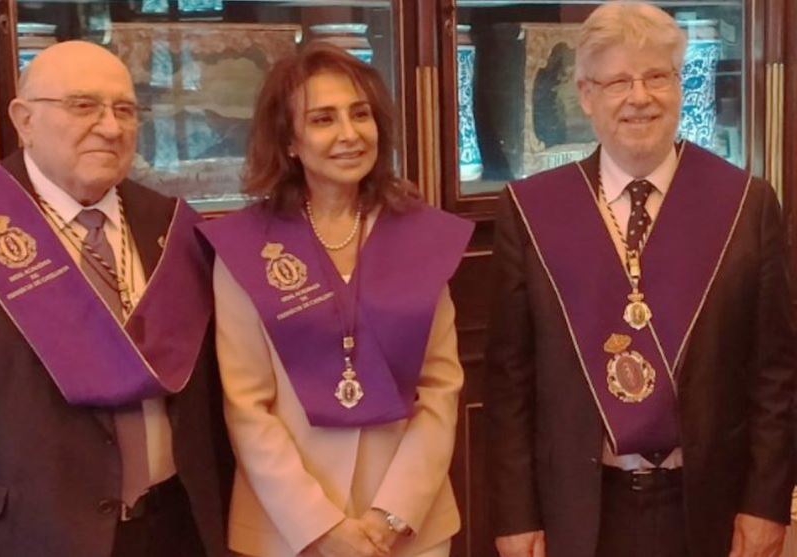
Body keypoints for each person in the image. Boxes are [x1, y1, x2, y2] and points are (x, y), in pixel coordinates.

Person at [485, 3, 795, 557]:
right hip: (578, 509)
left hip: (711, 506)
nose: (640, 97)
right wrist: (515, 516)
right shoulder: (532, 210)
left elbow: (776, 372)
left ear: (679, 85)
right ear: (586, 94)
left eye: (657, 76)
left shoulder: (745, 205)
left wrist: (766, 504)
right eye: (618, 82)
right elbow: (510, 383)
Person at [0, 41, 233, 557]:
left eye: (125, 109)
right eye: (83, 105)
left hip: (176, 527)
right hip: (23, 535)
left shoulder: (171, 226)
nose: (110, 127)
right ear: (24, 119)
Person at [198, 42, 473, 557]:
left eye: (360, 114)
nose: (349, 134)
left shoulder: (419, 236)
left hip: (411, 527)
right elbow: (247, 406)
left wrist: (392, 515)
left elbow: (440, 389)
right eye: (323, 119)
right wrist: (321, 527)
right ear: (289, 140)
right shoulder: (247, 246)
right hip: (288, 531)